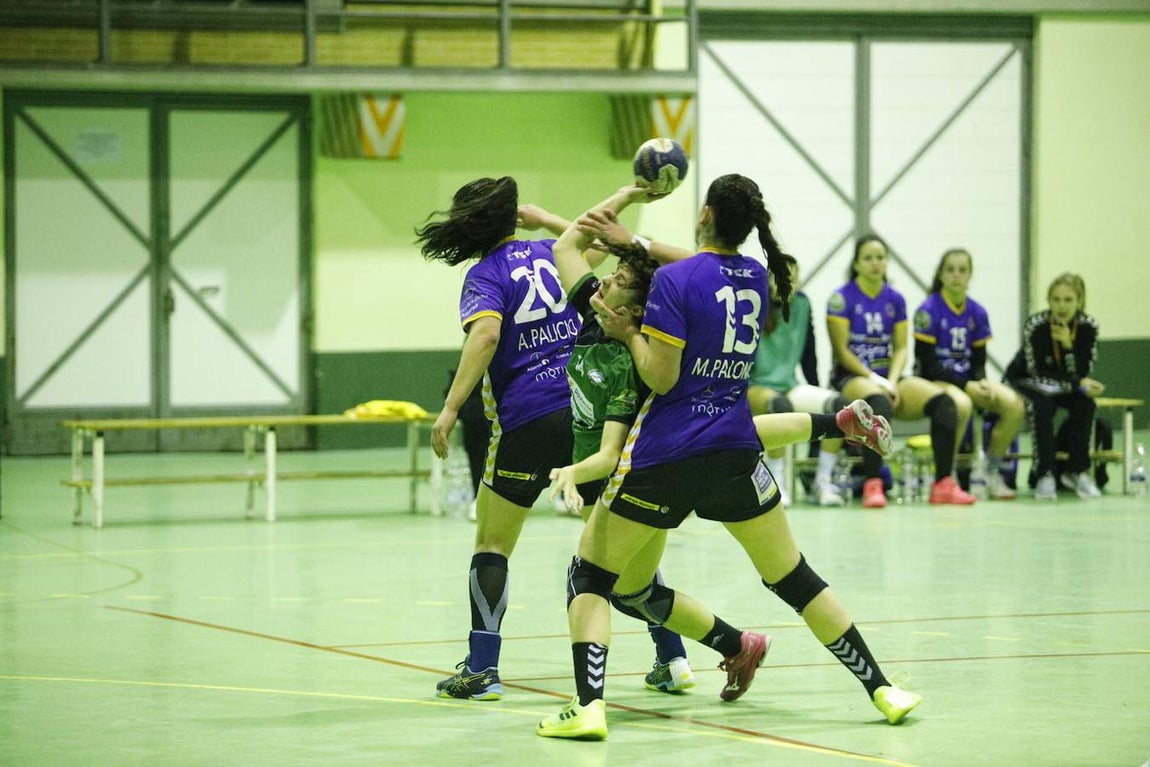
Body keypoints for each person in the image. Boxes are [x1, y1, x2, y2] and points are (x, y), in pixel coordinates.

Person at [536, 175, 921, 741]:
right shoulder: (756, 278)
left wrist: (627, 334)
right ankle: (884, 688)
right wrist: (633, 246)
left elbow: (662, 377)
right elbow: (699, 267)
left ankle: (588, 707)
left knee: (591, 575)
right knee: (794, 577)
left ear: (704, 212)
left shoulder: (671, 282)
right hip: (735, 454)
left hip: (666, 458)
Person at [417, 176, 579, 701]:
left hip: (528, 420)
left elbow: (486, 334)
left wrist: (448, 409)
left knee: (491, 544)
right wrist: (549, 217)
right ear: (514, 217)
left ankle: (483, 668)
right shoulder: (554, 251)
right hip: (585, 415)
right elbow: (601, 240)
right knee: (622, 538)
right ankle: (671, 656)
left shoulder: (484, 275)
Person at [826, 235, 976, 508]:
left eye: (880, 257)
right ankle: (874, 482)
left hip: (889, 377)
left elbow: (901, 348)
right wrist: (875, 380)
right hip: (853, 377)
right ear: (857, 264)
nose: (875, 263)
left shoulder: (895, 299)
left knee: (945, 403)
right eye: (868, 258)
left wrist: (892, 380)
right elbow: (842, 351)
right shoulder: (842, 298)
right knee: (878, 402)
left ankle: (943, 482)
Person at [913, 248, 1027, 500]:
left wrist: (981, 382)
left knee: (1014, 405)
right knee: (960, 405)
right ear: (940, 274)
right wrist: (968, 385)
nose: (956, 275)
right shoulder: (928, 310)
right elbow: (927, 365)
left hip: (967, 380)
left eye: (962, 270)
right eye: (950, 270)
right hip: (935, 381)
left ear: (970, 275)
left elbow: (978, 360)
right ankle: (947, 474)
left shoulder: (977, 312)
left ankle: (991, 469)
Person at [748, 254, 851, 507]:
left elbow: (809, 355)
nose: (788, 281)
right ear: (768, 279)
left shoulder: (802, 304)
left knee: (839, 406)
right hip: (754, 386)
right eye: (780, 275)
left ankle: (822, 481)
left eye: (794, 276)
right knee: (779, 406)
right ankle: (777, 482)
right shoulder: (754, 304)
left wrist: (818, 388)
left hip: (789, 385)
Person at [1004, 272, 1104, 500]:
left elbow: (1083, 370)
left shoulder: (1089, 327)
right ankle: (1045, 473)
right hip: (1025, 380)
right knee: (1043, 405)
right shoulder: (1036, 325)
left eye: (1068, 300)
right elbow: (1037, 371)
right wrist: (1077, 382)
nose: (1061, 306)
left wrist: (1068, 346)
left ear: (1080, 301)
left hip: (1065, 384)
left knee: (1085, 404)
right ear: (1049, 301)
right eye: (1056, 300)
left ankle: (1077, 471)